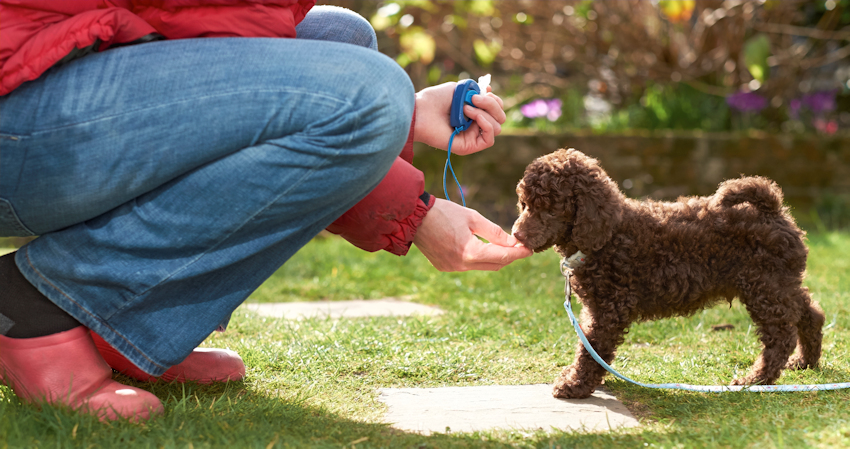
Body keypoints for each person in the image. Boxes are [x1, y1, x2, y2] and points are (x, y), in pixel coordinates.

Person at [0, 1, 532, 421]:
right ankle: (33, 305)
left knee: (343, 39)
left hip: (52, 76)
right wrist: (414, 202)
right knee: (368, 93)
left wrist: (404, 121)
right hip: (17, 115)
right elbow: (216, 36)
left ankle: (114, 325)